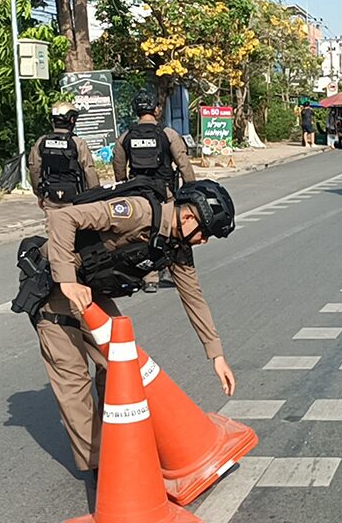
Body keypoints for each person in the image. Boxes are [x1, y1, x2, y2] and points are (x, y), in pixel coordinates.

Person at [37, 180, 237, 476]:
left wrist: (216, 356)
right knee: (73, 378)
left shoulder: (175, 245)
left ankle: (117, 440)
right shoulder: (138, 212)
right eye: (204, 234)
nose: (203, 241)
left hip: (91, 290)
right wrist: (66, 279)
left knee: (118, 364)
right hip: (53, 285)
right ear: (188, 217)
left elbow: (194, 299)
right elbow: (62, 217)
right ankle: (99, 465)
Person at [112, 90, 196, 292]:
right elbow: (184, 164)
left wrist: (125, 187)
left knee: (143, 232)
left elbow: (118, 167)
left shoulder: (125, 137)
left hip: (138, 193)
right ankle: (175, 271)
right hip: (164, 192)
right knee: (172, 231)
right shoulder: (168, 134)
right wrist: (190, 189)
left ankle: (149, 277)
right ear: (157, 110)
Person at [28, 102, 100, 209]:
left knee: (52, 224)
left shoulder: (41, 142)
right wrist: (95, 195)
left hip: (50, 198)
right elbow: (89, 171)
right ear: (72, 120)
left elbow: (34, 169)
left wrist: (39, 194)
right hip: (75, 199)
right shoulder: (78, 143)